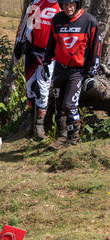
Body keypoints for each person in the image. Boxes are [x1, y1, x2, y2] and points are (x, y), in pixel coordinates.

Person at [43, 0, 101, 149]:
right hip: (59, 69)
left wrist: (91, 74)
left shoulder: (90, 21)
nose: (68, 8)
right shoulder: (57, 20)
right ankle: (61, 137)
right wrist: (46, 62)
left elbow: (96, 49)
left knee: (70, 105)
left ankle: (74, 138)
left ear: (77, 4)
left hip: (78, 71)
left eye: (71, 4)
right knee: (59, 105)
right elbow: (51, 42)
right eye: (65, 5)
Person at [14, 0, 61, 140]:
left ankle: (39, 126)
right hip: (31, 50)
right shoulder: (37, 2)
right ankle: (30, 121)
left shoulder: (62, 7)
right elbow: (27, 24)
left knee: (43, 88)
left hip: (49, 55)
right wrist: (19, 43)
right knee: (30, 86)